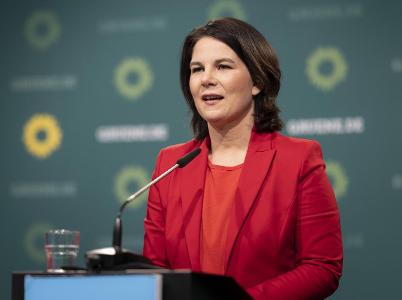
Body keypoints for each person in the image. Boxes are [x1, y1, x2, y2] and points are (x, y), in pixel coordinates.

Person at [143, 17, 343, 300]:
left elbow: (322, 268)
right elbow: (154, 269)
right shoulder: (170, 163)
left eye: (223, 67)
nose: (206, 79)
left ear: (257, 81)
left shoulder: (298, 159)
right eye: (196, 69)